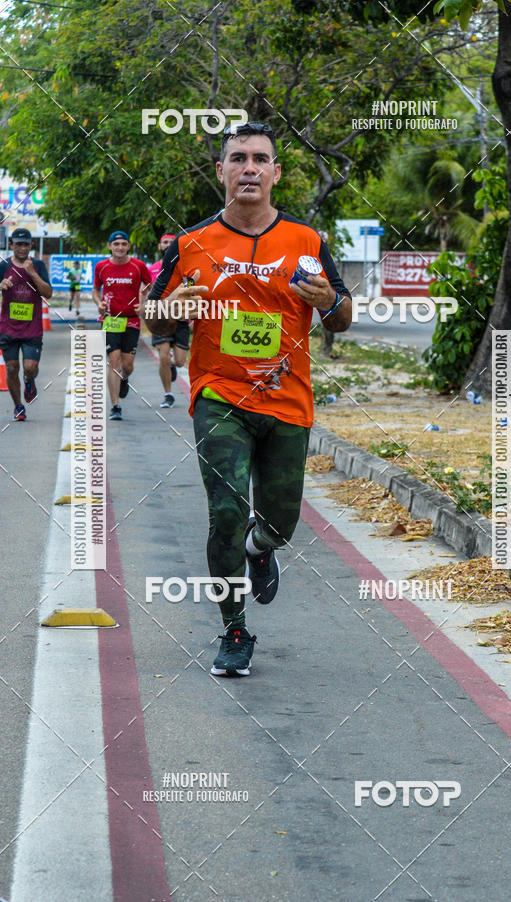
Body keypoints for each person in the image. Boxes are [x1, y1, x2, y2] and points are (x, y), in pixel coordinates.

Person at [145, 121, 352, 677]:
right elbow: (150, 312)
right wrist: (174, 306)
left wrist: (329, 298)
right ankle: (233, 628)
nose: (250, 168)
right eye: (239, 158)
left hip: (288, 402)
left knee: (280, 521)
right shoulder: (190, 244)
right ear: (222, 171)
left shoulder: (307, 242)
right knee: (226, 511)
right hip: (220, 396)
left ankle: (264, 549)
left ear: (276, 172)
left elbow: (343, 317)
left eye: (261, 159)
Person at [92, 230, 151, 421]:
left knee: (128, 364)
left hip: (131, 320)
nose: (120, 248)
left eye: (123, 244)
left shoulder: (138, 266)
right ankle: (115, 406)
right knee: (114, 360)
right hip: (110, 319)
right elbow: (95, 289)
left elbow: (149, 286)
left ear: (128, 246)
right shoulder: (101, 267)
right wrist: (98, 303)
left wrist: (143, 303)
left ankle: (125, 378)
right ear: (109, 246)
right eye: (116, 244)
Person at [0, 227, 53, 421]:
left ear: (31, 245)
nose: (22, 248)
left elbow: (48, 293)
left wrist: (32, 274)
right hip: (8, 328)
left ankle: (29, 381)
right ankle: (18, 407)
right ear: (12, 245)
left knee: (29, 368)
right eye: (18, 244)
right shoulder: (4, 266)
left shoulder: (38, 265)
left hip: (32, 329)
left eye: (25, 244)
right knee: (12, 368)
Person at [148, 233, 189, 408]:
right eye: (165, 242)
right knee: (163, 356)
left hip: (181, 319)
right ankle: (168, 394)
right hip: (160, 318)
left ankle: (171, 366)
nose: (168, 245)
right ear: (160, 246)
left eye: (172, 243)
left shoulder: (186, 268)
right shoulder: (152, 270)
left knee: (180, 361)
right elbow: (146, 293)